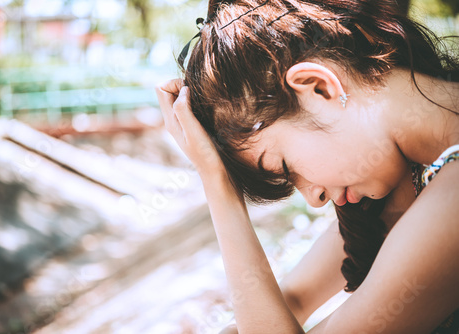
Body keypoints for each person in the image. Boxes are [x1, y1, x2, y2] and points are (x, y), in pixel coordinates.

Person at [155, 0, 459, 332]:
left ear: (319, 87)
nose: (314, 198)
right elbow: (289, 302)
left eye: (286, 168)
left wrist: (218, 186)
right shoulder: (407, 180)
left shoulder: (451, 203)